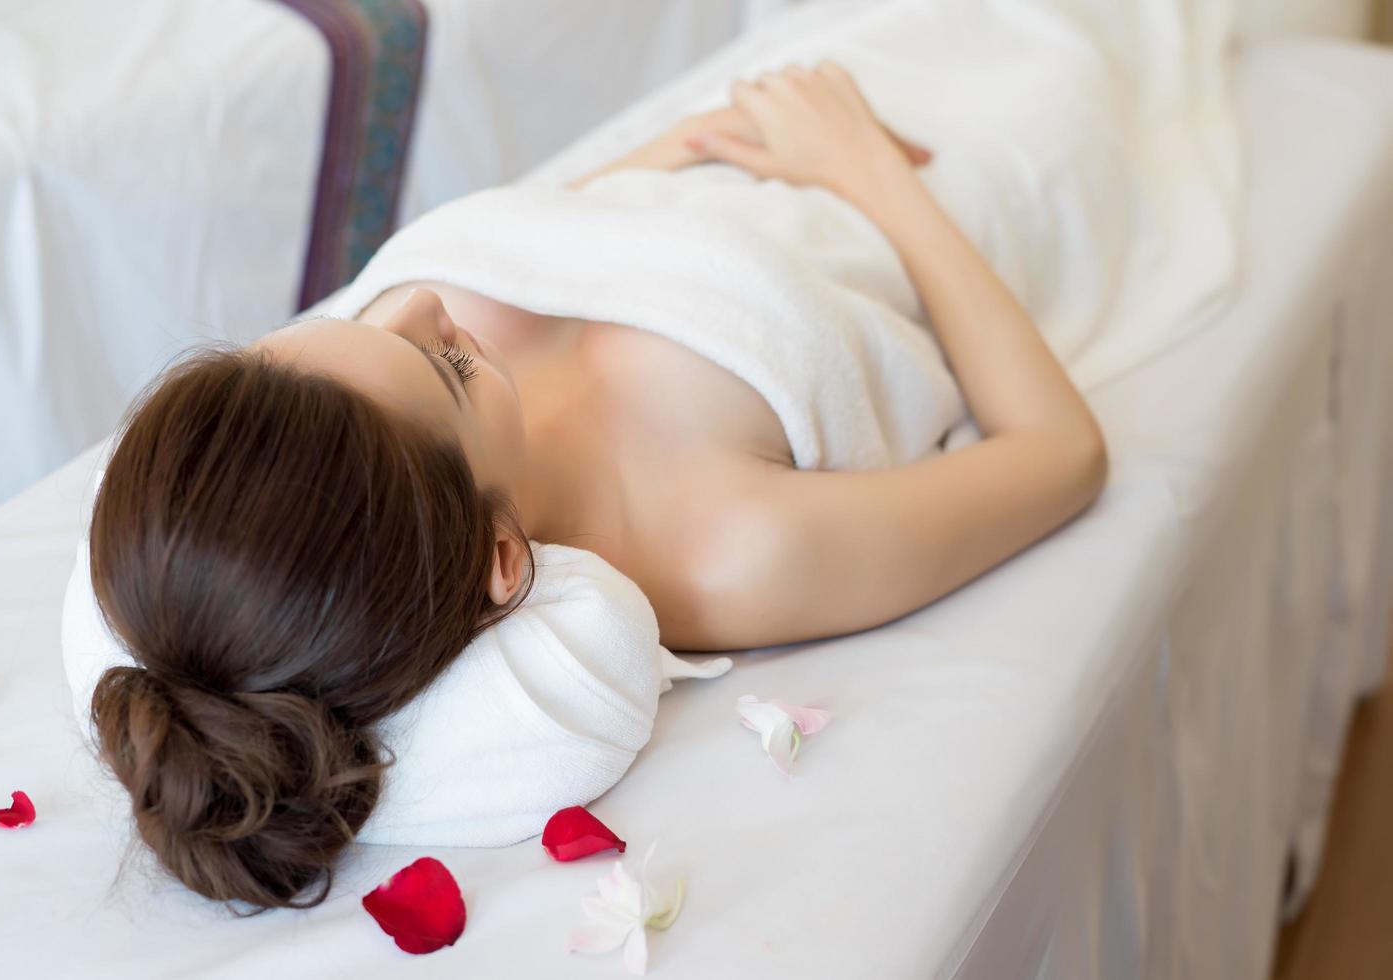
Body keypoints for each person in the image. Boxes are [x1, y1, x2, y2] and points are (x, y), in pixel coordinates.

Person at [87, 61, 1107, 911]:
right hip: (951, 187)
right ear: (500, 556)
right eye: (450, 369)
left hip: (778, 121)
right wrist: (870, 171)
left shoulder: (353, 410)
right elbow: (1058, 452)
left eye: (348, 326)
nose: (418, 302)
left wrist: (685, 144)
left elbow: (557, 225)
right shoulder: (725, 545)